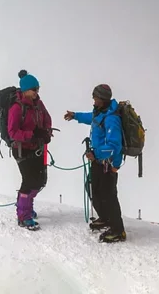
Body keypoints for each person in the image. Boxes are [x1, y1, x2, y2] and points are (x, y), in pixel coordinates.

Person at [64, 84, 126, 243]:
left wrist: (95, 154)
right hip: (98, 161)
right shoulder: (100, 112)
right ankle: (105, 218)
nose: (93, 100)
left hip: (107, 162)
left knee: (108, 195)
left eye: (96, 97)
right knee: (93, 188)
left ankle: (118, 230)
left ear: (103, 99)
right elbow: (89, 117)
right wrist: (75, 115)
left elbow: (115, 145)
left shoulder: (112, 118)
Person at [8, 70, 52, 231]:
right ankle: (23, 216)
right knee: (29, 181)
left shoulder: (38, 104)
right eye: (34, 90)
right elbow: (13, 132)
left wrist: (46, 133)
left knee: (40, 181)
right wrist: (32, 135)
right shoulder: (16, 108)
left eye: (37, 89)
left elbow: (47, 119)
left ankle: (25, 206)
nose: (36, 93)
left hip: (38, 148)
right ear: (25, 90)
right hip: (22, 150)